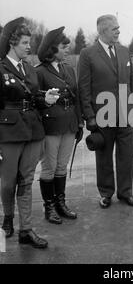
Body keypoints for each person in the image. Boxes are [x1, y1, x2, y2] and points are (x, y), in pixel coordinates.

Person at [0, 17, 59, 248]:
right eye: (24, 42)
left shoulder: (29, 69)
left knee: (26, 180)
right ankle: (7, 218)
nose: (29, 47)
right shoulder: (1, 67)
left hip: (33, 130)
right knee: (8, 182)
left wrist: (45, 99)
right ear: (13, 43)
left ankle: (26, 229)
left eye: (29, 42)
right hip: (8, 132)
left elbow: (33, 98)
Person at [78, 14, 133, 209]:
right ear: (103, 30)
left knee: (126, 156)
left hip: (125, 114)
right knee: (104, 157)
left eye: (118, 28)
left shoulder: (124, 51)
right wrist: (89, 116)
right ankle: (106, 193)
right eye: (115, 29)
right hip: (102, 115)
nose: (119, 31)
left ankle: (126, 193)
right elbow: (84, 88)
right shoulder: (88, 54)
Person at [36, 27, 83, 224]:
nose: (67, 49)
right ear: (52, 48)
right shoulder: (39, 72)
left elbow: (77, 96)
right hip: (51, 126)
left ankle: (61, 203)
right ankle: (49, 207)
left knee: (61, 166)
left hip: (69, 124)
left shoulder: (68, 69)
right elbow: (36, 101)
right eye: (63, 46)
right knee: (49, 167)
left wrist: (79, 121)